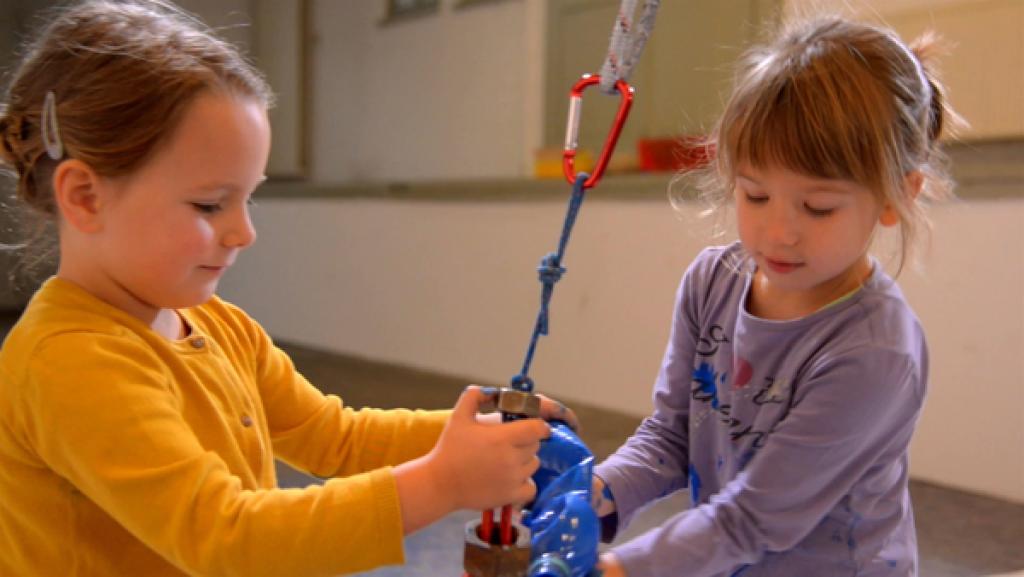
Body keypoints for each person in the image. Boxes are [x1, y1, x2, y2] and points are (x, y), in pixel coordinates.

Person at [0, 2, 574, 575]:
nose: (244, 231)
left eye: (247, 198)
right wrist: (441, 482)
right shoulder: (68, 361)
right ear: (85, 197)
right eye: (209, 204)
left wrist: (479, 435)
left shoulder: (222, 326)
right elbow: (228, 537)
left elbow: (334, 436)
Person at [592, 15, 955, 577]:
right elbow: (670, 436)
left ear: (896, 194)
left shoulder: (874, 353)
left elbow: (751, 520)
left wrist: (616, 570)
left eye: (818, 208)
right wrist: (595, 495)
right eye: (756, 195)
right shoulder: (711, 282)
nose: (778, 233)